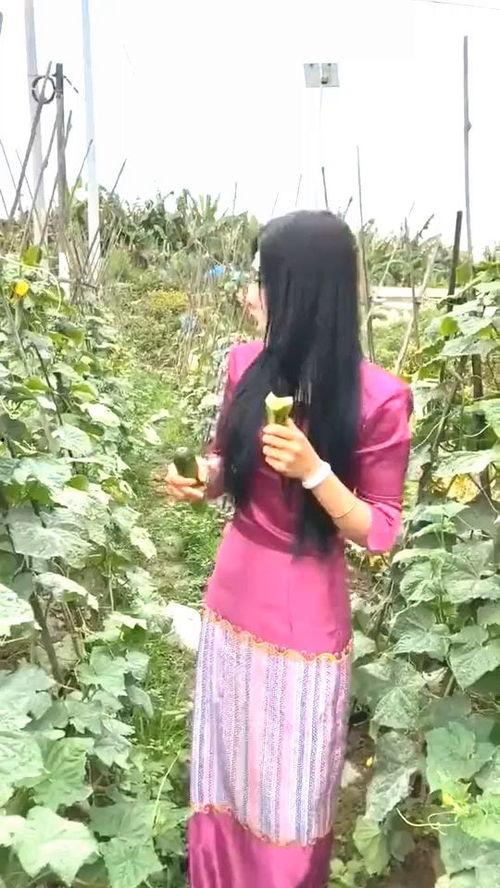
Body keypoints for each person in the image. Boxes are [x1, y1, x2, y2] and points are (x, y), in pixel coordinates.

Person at [164, 211, 412, 888]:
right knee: (227, 769)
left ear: (302, 290)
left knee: (290, 793)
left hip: (303, 620)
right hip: (231, 596)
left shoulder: (379, 399)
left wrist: (315, 471)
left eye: (262, 279)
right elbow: (227, 463)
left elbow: (379, 529)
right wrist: (205, 478)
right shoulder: (245, 365)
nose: (250, 294)